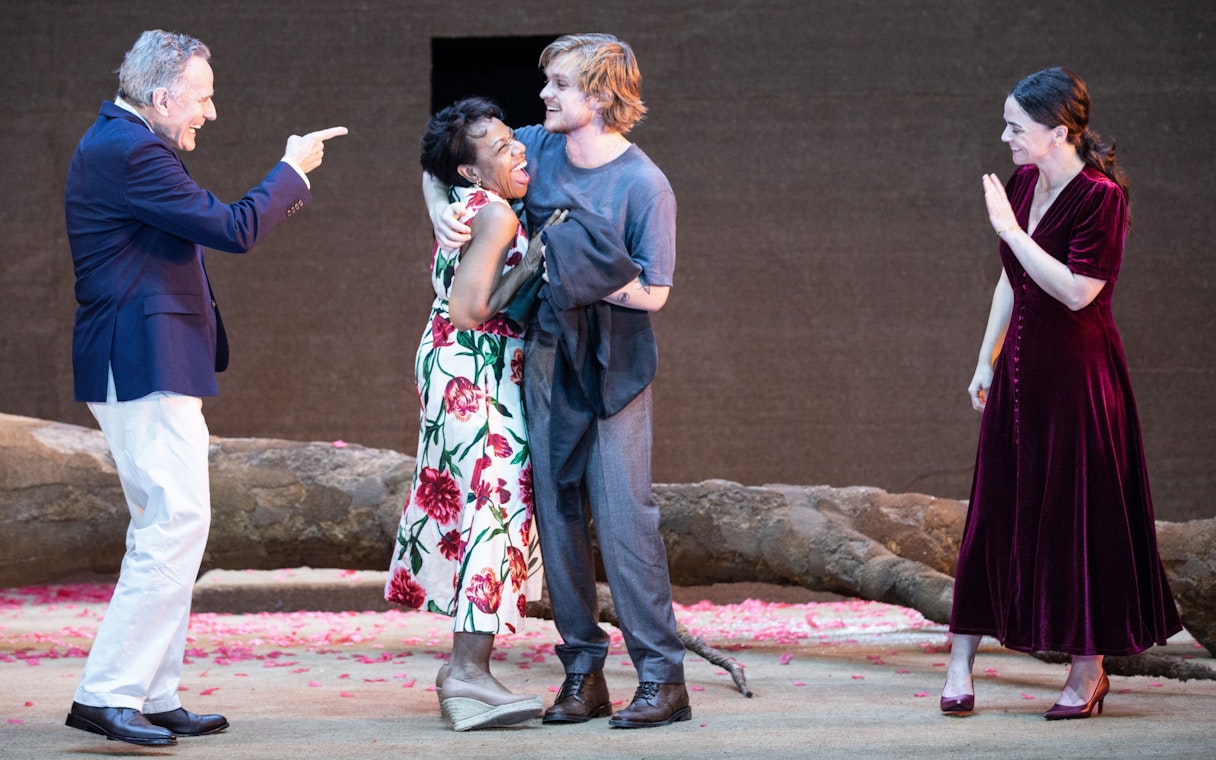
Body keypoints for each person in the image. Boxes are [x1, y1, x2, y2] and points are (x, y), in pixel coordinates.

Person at [64, 30, 346, 746]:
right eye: (203, 98)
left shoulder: (124, 143)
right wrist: (291, 170)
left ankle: (152, 692)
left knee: (169, 524)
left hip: (146, 356)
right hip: (140, 358)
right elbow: (233, 227)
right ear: (161, 98)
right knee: (175, 523)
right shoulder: (131, 150)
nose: (210, 113)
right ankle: (108, 693)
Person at [426, 33, 689, 729]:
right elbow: (446, 170)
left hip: (613, 361)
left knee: (626, 518)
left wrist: (576, 272)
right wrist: (452, 216)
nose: (543, 98)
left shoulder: (643, 184)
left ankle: (663, 679)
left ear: (601, 96)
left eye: (559, 87)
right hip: (546, 357)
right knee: (560, 514)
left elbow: (656, 291)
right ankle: (583, 674)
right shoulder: (536, 150)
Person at [942, 67, 1181, 720]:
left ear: (1056, 132)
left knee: (1078, 520)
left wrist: (1012, 233)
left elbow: (1078, 291)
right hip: (1021, 376)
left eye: (1016, 128)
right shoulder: (1022, 183)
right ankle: (959, 659)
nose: (1006, 138)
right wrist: (986, 360)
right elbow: (1010, 280)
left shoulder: (1101, 198)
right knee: (992, 513)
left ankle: (1088, 669)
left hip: (1077, 380)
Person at [385, 97, 565, 732]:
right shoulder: (495, 218)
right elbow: (469, 310)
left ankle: (466, 670)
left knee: (485, 506)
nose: (519, 153)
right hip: (472, 364)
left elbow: (433, 175)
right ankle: (466, 671)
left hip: (460, 362)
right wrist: (538, 253)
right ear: (471, 171)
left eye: (514, 141)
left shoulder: (475, 204)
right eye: (501, 150)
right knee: (493, 505)